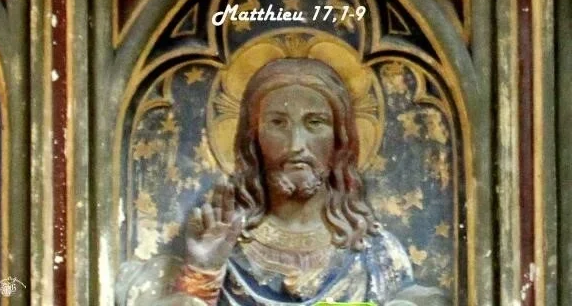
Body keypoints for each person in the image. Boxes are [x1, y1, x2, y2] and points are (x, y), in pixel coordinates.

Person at [159, 58, 449, 306]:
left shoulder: (377, 255)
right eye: (278, 123)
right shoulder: (225, 246)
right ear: (253, 137)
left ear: (340, 139)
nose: (296, 144)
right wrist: (202, 274)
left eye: (315, 123)